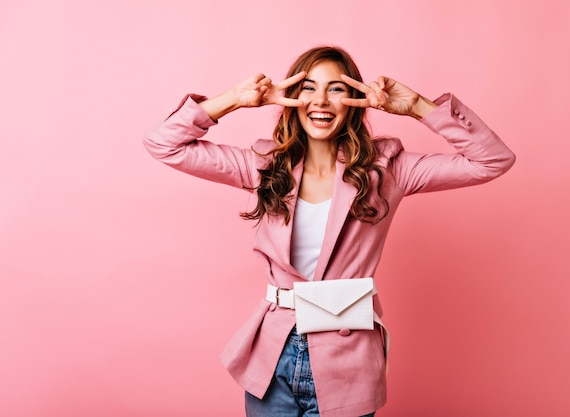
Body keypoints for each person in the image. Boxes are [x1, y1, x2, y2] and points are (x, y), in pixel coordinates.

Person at [144, 45, 515, 417]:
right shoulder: (263, 166)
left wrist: (417, 105)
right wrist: (233, 100)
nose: (320, 100)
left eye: (336, 88)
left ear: (354, 99)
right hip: (274, 356)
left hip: (347, 359)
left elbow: (493, 160)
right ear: (292, 97)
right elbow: (163, 143)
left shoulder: (388, 170)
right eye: (308, 87)